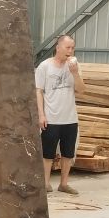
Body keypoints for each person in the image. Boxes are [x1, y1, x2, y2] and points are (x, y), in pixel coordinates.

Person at [35, 35, 85, 195]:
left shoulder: (74, 66)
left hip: (70, 118)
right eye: (67, 47)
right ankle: (45, 183)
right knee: (47, 153)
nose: (70, 51)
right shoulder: (44, 66)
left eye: (72, 48)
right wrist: (41, 114)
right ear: (58, 48)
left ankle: (64, 184)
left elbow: (81, 90)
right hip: (51, 117)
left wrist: (75, 73)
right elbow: (38, 91)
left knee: (68, 153)